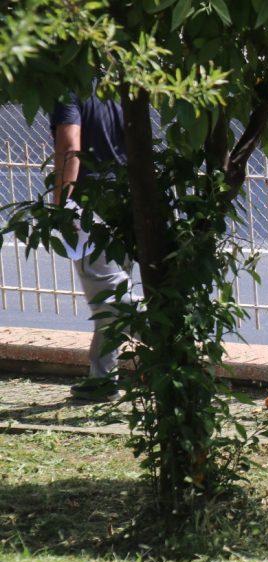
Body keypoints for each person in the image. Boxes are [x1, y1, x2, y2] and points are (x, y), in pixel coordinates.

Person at [49, 81, 132, 401]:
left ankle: (179, 342)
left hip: (89, 204)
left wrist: (60, 204)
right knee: (111, 297)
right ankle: (102, 379)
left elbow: (70, 146)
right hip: (123, 199)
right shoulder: (116, 83)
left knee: (111, 297)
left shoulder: (69, 88)